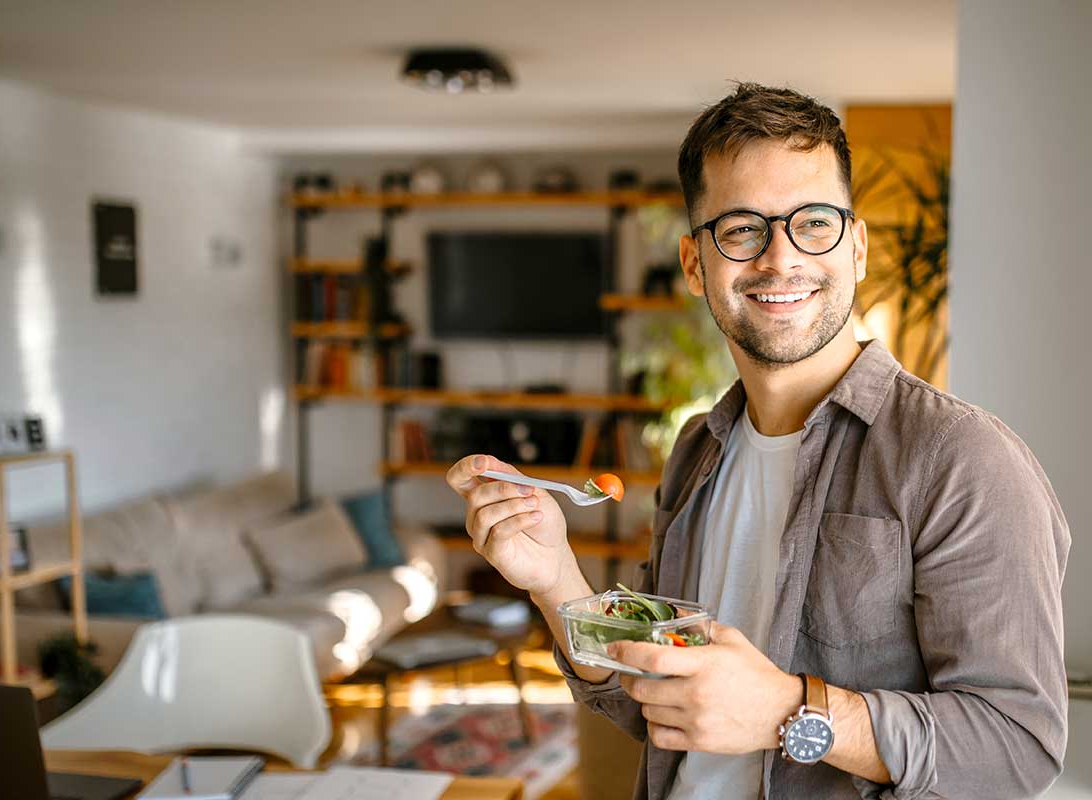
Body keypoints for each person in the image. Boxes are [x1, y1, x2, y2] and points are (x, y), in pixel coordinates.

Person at [445, 83, 1070, 800]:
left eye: (814, 223)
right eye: (742, 229)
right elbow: (649, 698)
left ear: (857, 248)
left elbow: (1016, 749)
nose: (780, 258)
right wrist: (554, 576)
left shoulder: (963, 460)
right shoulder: (697, 449)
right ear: (694, 264)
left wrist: (786, 712)